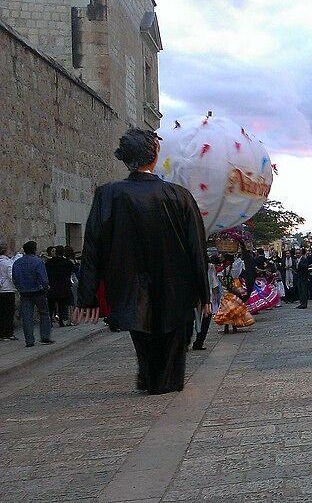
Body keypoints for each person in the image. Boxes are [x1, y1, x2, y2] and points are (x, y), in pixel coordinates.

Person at [73, 128, 209, 395]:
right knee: (171, 337)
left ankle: (150, 377)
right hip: (175, 284)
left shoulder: (108, 194)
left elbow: (92, 247)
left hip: (128, 283)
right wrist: (203, 292)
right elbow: (197, 248)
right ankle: (162, 381)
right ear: (155, 153)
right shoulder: (179, 195)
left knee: (143, 334)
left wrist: (87, 296)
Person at [12, 241, 53, 347]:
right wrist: (45, 287)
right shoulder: (38, 262)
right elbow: (43, 277)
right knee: (44, 313)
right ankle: (45, 336)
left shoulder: (17, 262)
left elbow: (15, 278)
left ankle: (29, 340)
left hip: (24, 293)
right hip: (38, 291)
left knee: (27, 317)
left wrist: (20, 288)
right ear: (34, 249)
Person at [192, 254, 220, 350]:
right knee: (205, 320)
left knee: (192, 320)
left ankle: (188, 342)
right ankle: (199, 342)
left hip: (194, 298)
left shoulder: (191, 266)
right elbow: (214, 285)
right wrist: (215, 299)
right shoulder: (210, 268)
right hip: (206, 299)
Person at [45, 245, 75, 328]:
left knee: (51, 305)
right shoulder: (66, 262)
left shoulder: (49, 262)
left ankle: (50, 320)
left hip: (52, 286)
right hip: (64, 286)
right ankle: (61, 321)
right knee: (62, 304)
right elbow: (73, 269)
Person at [0, 242, 17, 341]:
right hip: (8, 289)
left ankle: (2, 333)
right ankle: (8, 333)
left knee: (2, 312)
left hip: (2, 289)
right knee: (9, 312)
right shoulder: (7, 263)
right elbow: (11, 276)